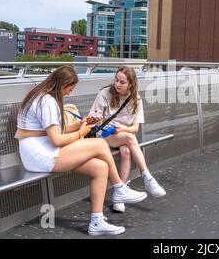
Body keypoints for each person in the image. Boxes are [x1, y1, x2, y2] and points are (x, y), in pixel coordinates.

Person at [15, 65, 135, 236]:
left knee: (100, 168)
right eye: (70, 88)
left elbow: (56, 132)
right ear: (62, 85)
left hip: (44, 150)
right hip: (40, 155)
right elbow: (56, 140)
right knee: (100, 144)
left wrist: (79, 124)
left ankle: (96, 222)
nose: (69, 93)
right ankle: (119, 188)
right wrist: (81, 133)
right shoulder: (47, 101)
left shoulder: (43, 96)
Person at [89, 66, 166, 213]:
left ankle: (120, 196)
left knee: (126, 151)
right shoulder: (105, 93)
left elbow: (135, 128)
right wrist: (98, 120)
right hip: (103, 135)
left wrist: (122, 130)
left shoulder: (136, 99)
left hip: (121, 136)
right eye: (116, 80)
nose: (117, 84)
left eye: (122, 82)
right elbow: (94, 120)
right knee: (129, 139)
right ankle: (147, 178)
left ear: (131, 84)